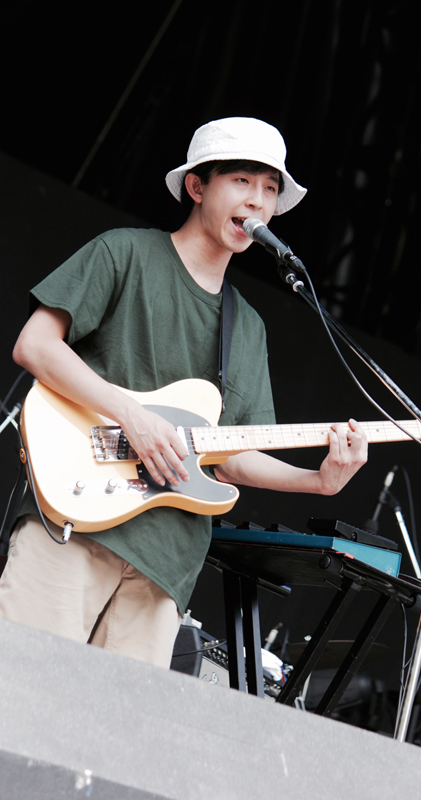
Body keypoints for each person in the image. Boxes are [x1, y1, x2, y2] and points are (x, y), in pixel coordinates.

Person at [0, 117, 368, 667]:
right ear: (197, 186)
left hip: (166, 565)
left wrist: (317, 481)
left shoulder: (247, 328)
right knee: (21, 691)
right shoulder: (125, 252)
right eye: (242, 181)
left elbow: (233, 454)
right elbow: (35, 345)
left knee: (110, 724)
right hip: (72, 521)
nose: (258, 200)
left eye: (270, 188)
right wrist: (132, 415)